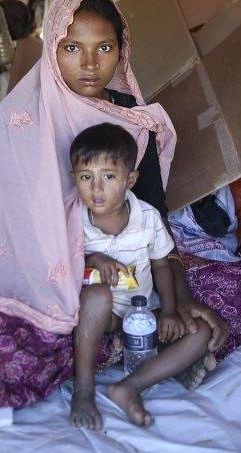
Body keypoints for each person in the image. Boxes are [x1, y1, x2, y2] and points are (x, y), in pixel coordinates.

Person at [0, 0, 241, 416]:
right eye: (72, 48)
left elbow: (155, 221)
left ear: (122, 51)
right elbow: (12, 230)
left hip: (135, 279)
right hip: (48, 281)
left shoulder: (131, 116)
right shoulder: (21, 117)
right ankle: (135, 351)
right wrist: (85, 262)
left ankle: (125, 346)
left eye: (103, 47)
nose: (89, 64)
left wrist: (179, 302)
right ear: (53, 47)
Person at [69, 123, 212, 429]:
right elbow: (57, 265)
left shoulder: (148, 218)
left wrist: (170, 312)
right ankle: (84, 389)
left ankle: (131, 386)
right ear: (74, 179)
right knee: (97, 295)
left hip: (142, 313)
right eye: (86, 177)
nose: (96, 189)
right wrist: (92, 259)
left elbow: (162, 264)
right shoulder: (73, 221)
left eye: (109, 176)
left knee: (200, 331)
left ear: (130, 179)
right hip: (101, 318)